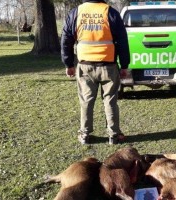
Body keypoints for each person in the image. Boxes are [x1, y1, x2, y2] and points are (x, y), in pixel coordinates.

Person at [61, 0, 130, 145]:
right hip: (108, 65)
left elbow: (66, 39)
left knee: (86, 101)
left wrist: (68, 63)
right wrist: (124, 65)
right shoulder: (110, 12)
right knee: (110, 100)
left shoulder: (76, 12)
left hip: (85, 66)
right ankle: (114, 135)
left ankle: (85, 134)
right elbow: (122, 41)